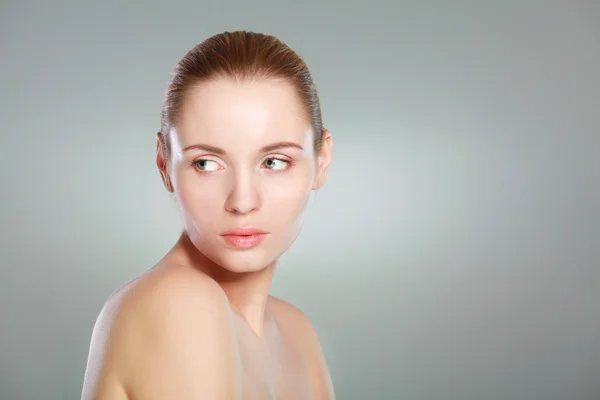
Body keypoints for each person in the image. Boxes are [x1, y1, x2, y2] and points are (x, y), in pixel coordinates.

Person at [81, 30, 335, 400]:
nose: (243, 201)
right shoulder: (177, 302)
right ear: (164, 163)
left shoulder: (296, 331)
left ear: (322, 161)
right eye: (206, 163)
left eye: (274, 161)